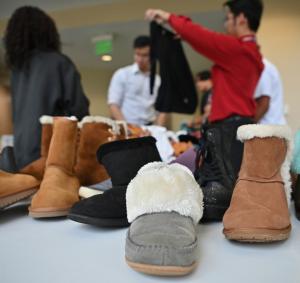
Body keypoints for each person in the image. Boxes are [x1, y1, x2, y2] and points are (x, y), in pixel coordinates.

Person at [145, 0, 264, 221]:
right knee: (181, 168)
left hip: (227, 133)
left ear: (242, 19)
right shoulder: (250, 53)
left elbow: (202, 37)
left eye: (228, 18)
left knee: (184, 174)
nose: (226, 23)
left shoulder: (240, 51)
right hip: (232, 130)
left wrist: (168, 17)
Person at [3, 6, 89, 171]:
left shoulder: (17, 71)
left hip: (21, 154)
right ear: (47, 31)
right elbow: (80, 112)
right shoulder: (59, 63)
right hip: (52, 155)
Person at [108, 36, 166, 126]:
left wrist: (158, 128)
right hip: (128, 126)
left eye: (144, 55)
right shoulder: (122, 74)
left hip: (150, 127)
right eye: (137, 54)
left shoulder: (158, 80)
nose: (140, 59)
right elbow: (113, 104)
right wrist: (126, 127)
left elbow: (163, 109)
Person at [254, 58, 286, 124]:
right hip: (269, 127)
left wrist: (246, 127)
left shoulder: (263, 66)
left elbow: (264, 104)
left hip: (269, 128)